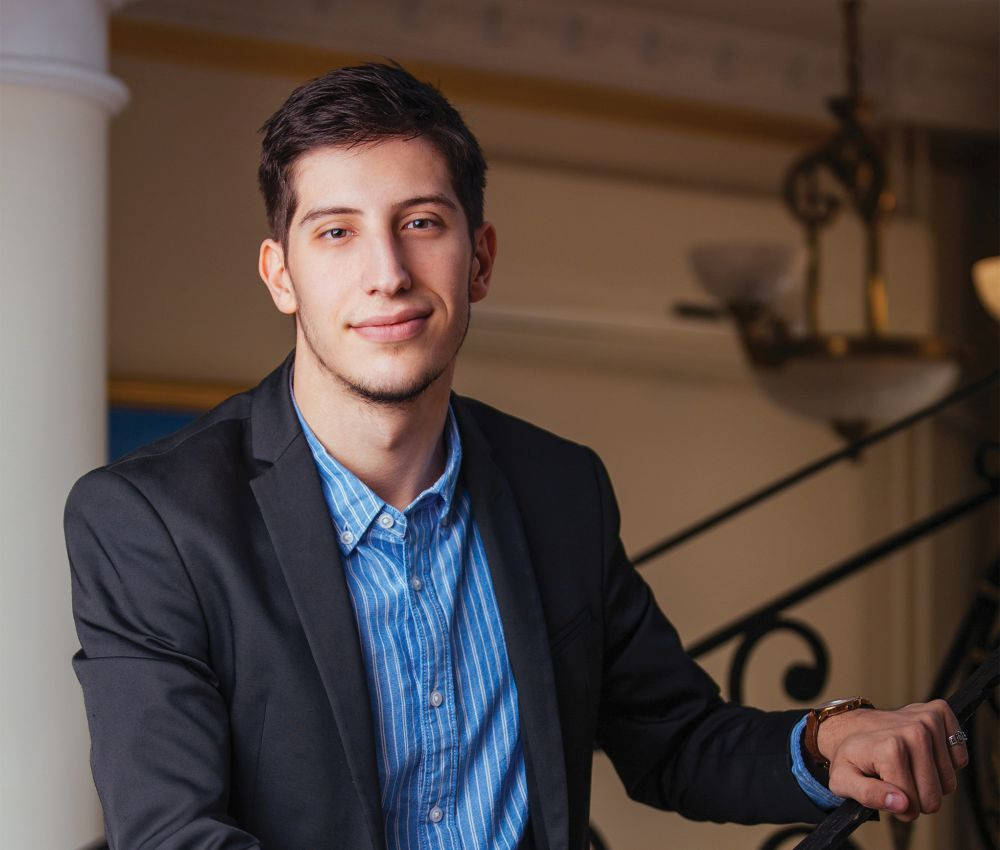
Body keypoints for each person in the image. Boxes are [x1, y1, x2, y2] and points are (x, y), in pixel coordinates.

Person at [65, 62, 968, 850]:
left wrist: (829, 740)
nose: (387, 272)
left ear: (480, 259)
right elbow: (175, 834)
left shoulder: (561, 488)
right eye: (336, 231)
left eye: (422, 222)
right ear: (280, 274)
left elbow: (676, 739)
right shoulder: (151, 521)